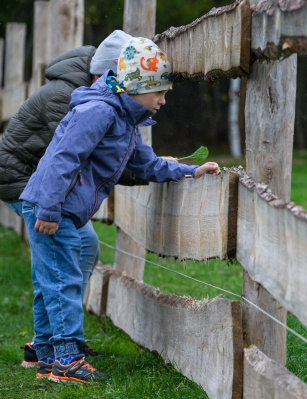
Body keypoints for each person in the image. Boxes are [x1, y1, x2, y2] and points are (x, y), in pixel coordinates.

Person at [19, 36, 220, 383]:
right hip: (52, 206)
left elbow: (149, 165)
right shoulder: (98, 112)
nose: (163, 100)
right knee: (62, 280)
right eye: (158, 91)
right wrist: (49, 211)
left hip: (58, 206)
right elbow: (63, 159)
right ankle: (67, 359)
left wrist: (190, 170)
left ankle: (47, 357)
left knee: (52, 279)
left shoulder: (126, 122)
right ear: (135, 87)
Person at [0, 30, 136, 368]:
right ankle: (60, 349)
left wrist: (157, 166)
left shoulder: (85, 89)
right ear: (109, 72)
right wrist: (138, 168)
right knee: (63, 255)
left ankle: (44, 345)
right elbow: (84, 153)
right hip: (21, 180)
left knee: (78, 250)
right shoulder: (71, 94)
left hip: (40, 181)